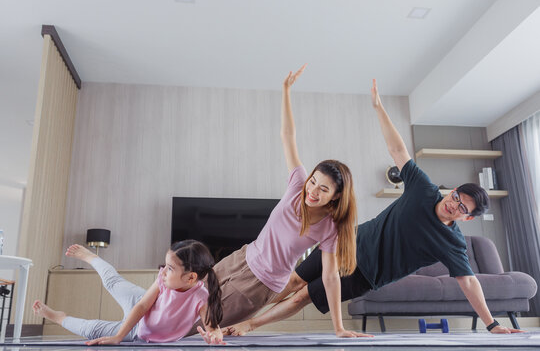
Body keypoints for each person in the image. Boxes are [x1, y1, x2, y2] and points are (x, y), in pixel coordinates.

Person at [223, 79, 523, 336]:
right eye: (456, 196)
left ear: (467, 217)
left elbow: (469, 282)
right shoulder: (424, 189)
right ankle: (235, 319)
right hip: (345, 243)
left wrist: (492, 323)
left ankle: (250, 325)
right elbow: (397, 149)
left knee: (303, 296)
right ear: (453, 191)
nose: (453, 204)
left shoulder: (453, 242)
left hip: (365, 274)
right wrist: (379, 107)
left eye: (461, 208)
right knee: (291, 281)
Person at [189, 65, 365, 338]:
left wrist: (339, 327)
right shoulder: (298, 184)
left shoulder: (330, 227)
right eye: (314, 182)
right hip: (240, 258)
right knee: (183, 299)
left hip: (260, 284)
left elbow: (330, 277)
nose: (313, 191)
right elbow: (287, 135)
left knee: (196, 325)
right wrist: (285, 90)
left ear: (337, 196)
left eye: (323, 189)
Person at [33, 241, 225, 345]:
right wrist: (118, 336)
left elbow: (212, 328)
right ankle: (92, 257)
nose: (163, 271)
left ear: (191, 278)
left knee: (90, 331)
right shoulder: (163, 280)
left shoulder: (201, 298)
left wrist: (215, 339)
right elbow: (142, 306)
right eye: (165, 265)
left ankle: (58, 317)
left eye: (170, 268)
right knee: (113, 282)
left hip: (138, 332)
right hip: (140, 304)